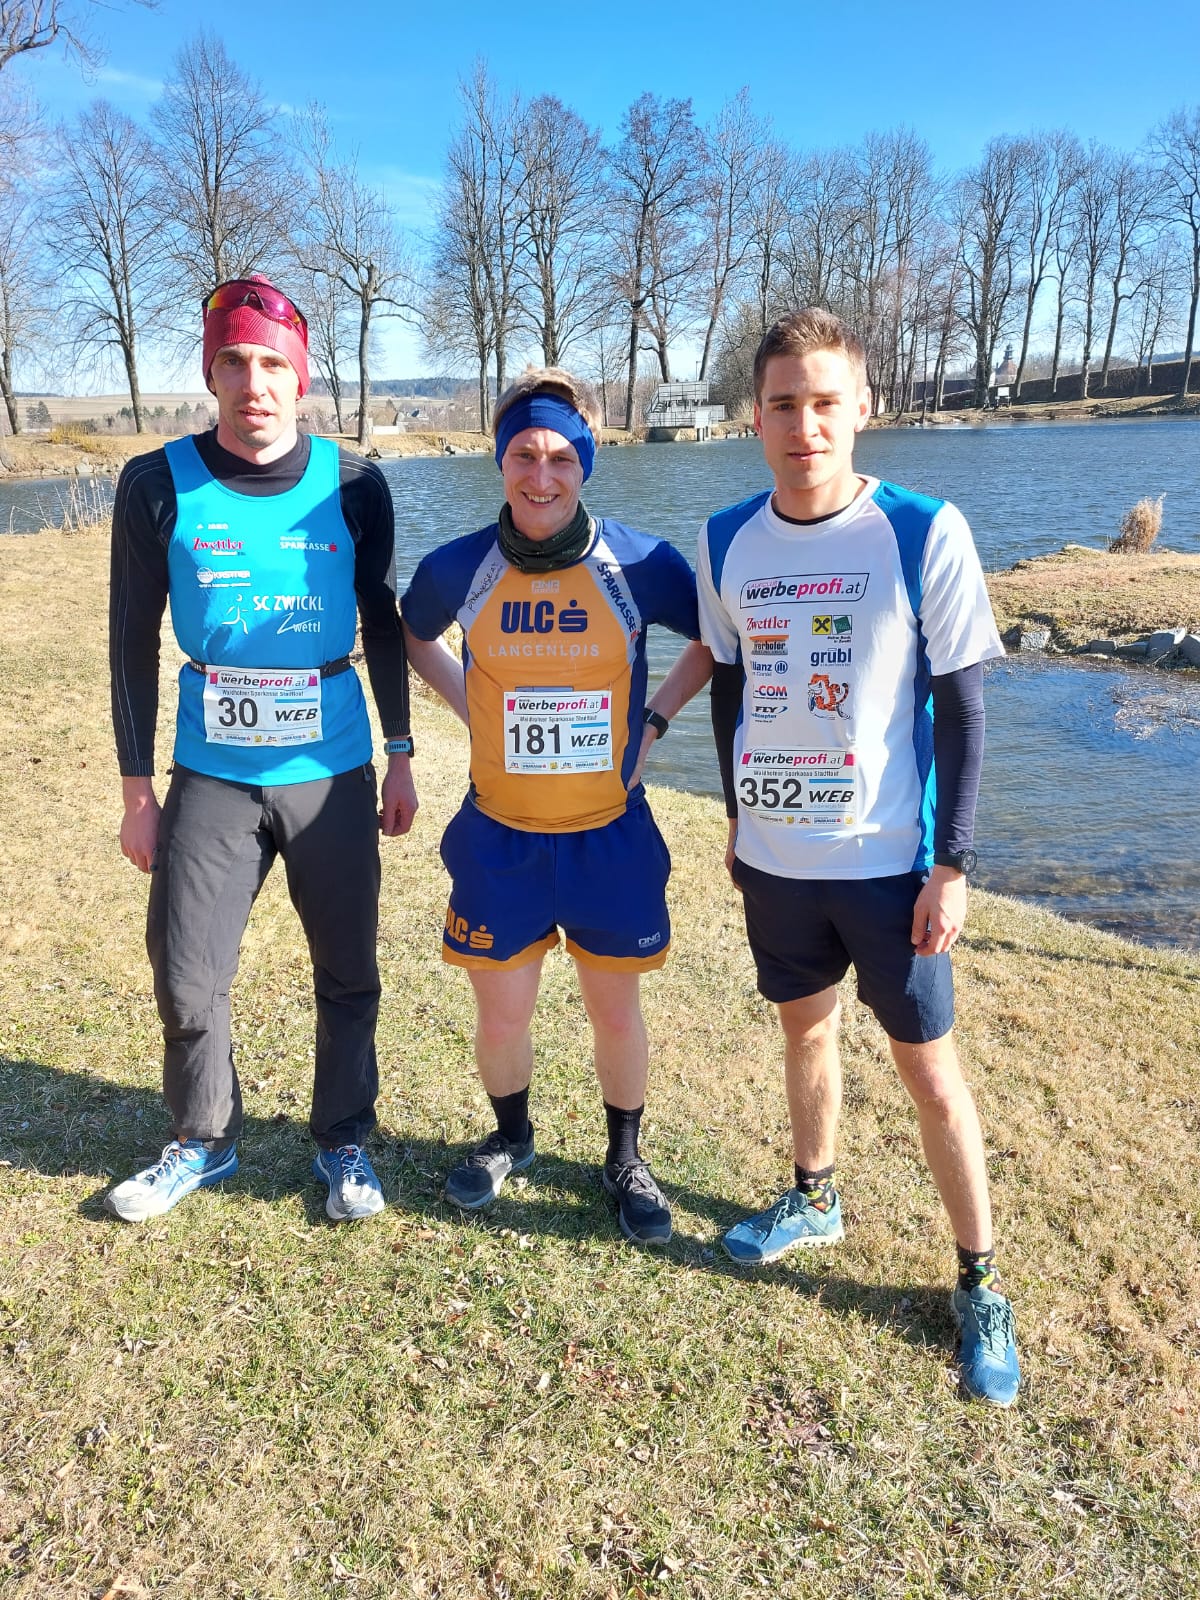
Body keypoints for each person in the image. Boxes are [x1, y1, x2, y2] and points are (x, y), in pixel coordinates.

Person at [697, 309, 1019, 1405]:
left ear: (864, 410)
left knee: (930, 1074)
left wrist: (952, 863)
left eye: (826, 402)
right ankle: (814, 1194)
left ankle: (979, 1281)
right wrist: (736, 815)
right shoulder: (725, 539)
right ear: (755, 417)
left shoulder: (925, 531)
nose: (805, 426)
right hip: (778, 859)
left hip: (892, 870)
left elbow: (964, 711)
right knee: (805, 1030)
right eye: (784, 403)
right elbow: (732, 685)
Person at [106, 275, 417, 1225]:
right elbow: (130, 636)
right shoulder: (156, 484)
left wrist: (401, 752)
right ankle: (202, 1139)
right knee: (186, 969)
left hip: (330, 768)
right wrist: (137, 791)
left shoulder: (356, 484)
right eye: (234, 362)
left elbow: (383, 622)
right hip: (213, 772)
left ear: (300, 377)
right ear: (212, 373)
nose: (254, 383)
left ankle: (343, 1139)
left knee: (347, 966)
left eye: (273, 364)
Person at [401, 368, 711, 1246]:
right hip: (500, 837)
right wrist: (471, 708)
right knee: (503, 1013)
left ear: (587, 462)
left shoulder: (640, 564)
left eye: (561, 459)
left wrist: (654, 721)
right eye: (524, 457)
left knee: (615, 1012)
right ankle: (512, 1137)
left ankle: (625, 1157)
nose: (542, 477)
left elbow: (716, 639)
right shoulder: (459, 567)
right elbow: (412, 633)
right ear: (501, 462)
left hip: (608, 838)